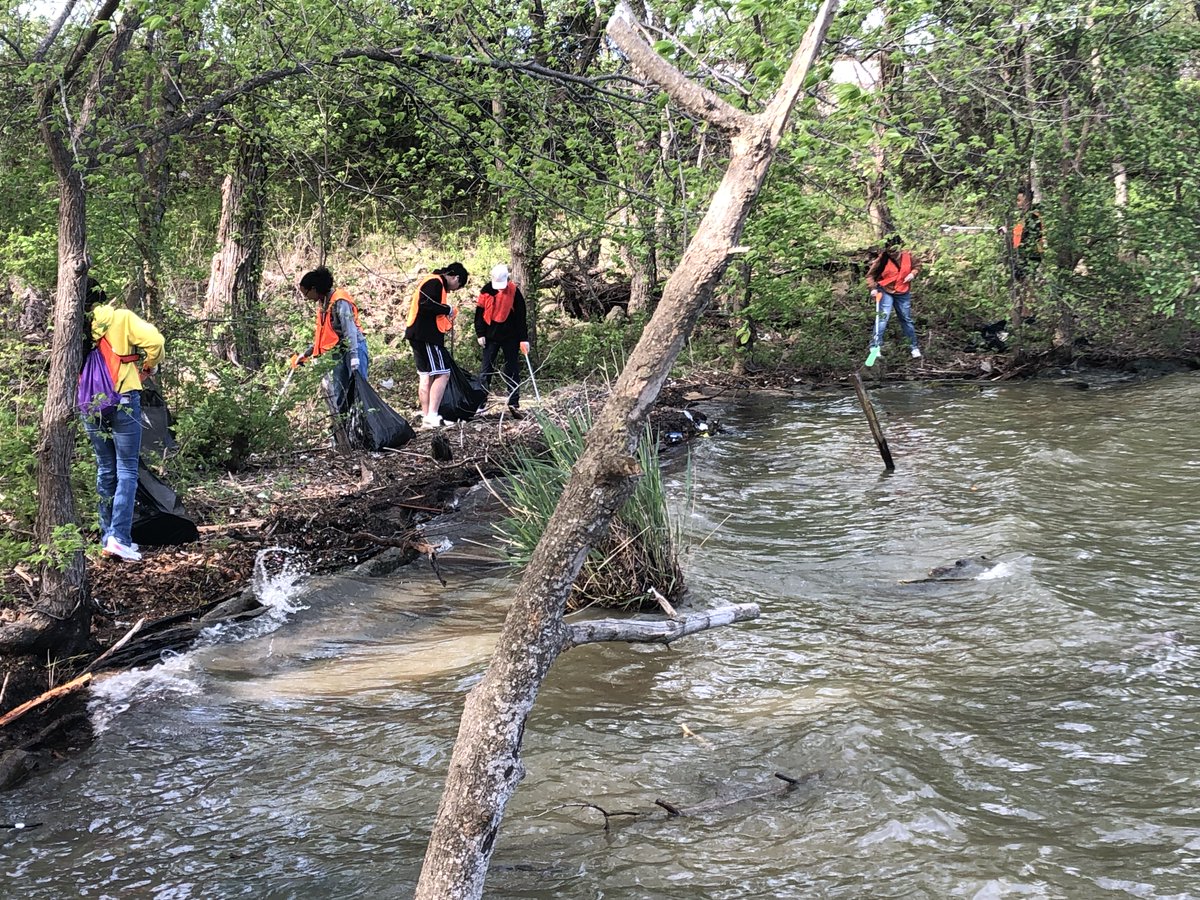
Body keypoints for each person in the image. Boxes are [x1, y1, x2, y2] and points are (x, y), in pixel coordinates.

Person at [82, 279, 165, 562]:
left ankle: (107, 535)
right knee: (126, 469)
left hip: (89, 403)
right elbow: (156, 341)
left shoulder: (74, 325)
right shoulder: (121, 318)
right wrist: (147, 366)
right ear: (102, 298)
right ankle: (120, 538)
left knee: (105, 467)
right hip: (123, 397)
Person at [292, 266, 368, 417]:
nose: (306, 298)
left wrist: (354, 357)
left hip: (354, 348)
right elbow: (324, 335)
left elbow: (350, 331)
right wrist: (306, 354)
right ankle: (345, 432)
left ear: (314, 288)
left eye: (306, 293)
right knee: (341, 393)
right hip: (338, 350)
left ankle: (367, 430)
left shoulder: (340, 301)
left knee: (359, 391)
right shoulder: (323, 304)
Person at [406, 262, 469, 429]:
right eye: (458, 285)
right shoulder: (435, 282)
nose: (455, 289)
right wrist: (447, 309)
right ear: (455, 277)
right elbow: (426, 304)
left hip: (417, 334)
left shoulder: (432, 280)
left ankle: (428, 416)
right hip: (426, 335)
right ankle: (432, 414)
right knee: (443, 373)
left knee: (427, 375)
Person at [474, 263, 530, 412]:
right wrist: (480, 333)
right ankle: (480, 402)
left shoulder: (513, 291)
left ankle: (513, 402)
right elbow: (479, 314)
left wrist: (523, 339)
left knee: (511, 368)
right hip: (490, 337)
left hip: (510, 337)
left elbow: (520, 317)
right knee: (486, 369)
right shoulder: (486, 290)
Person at [864, 234, 921, 367]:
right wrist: (872, 288)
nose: (892, 253)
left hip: (903, 291)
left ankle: (913, 347)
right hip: (884, 290)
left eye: (895, 250)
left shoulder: (909, 256)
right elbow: (870, 275)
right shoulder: (883, 259)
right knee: (882, 318)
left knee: (906, 319)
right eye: (890, 250)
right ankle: (875, 346)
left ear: (900, 247)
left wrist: (913, 274)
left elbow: (918, 266)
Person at [1006, 187, 1044, 320]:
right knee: (1021, 282)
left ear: (1027, 201)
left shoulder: (1033, 217)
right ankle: (1021, 310)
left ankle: (1028, 314)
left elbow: (1034, 237)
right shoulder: (1022, 217)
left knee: (1028, 284)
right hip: (1020, 254)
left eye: (1019, 200)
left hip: (1030, 255)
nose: (1017, 203)